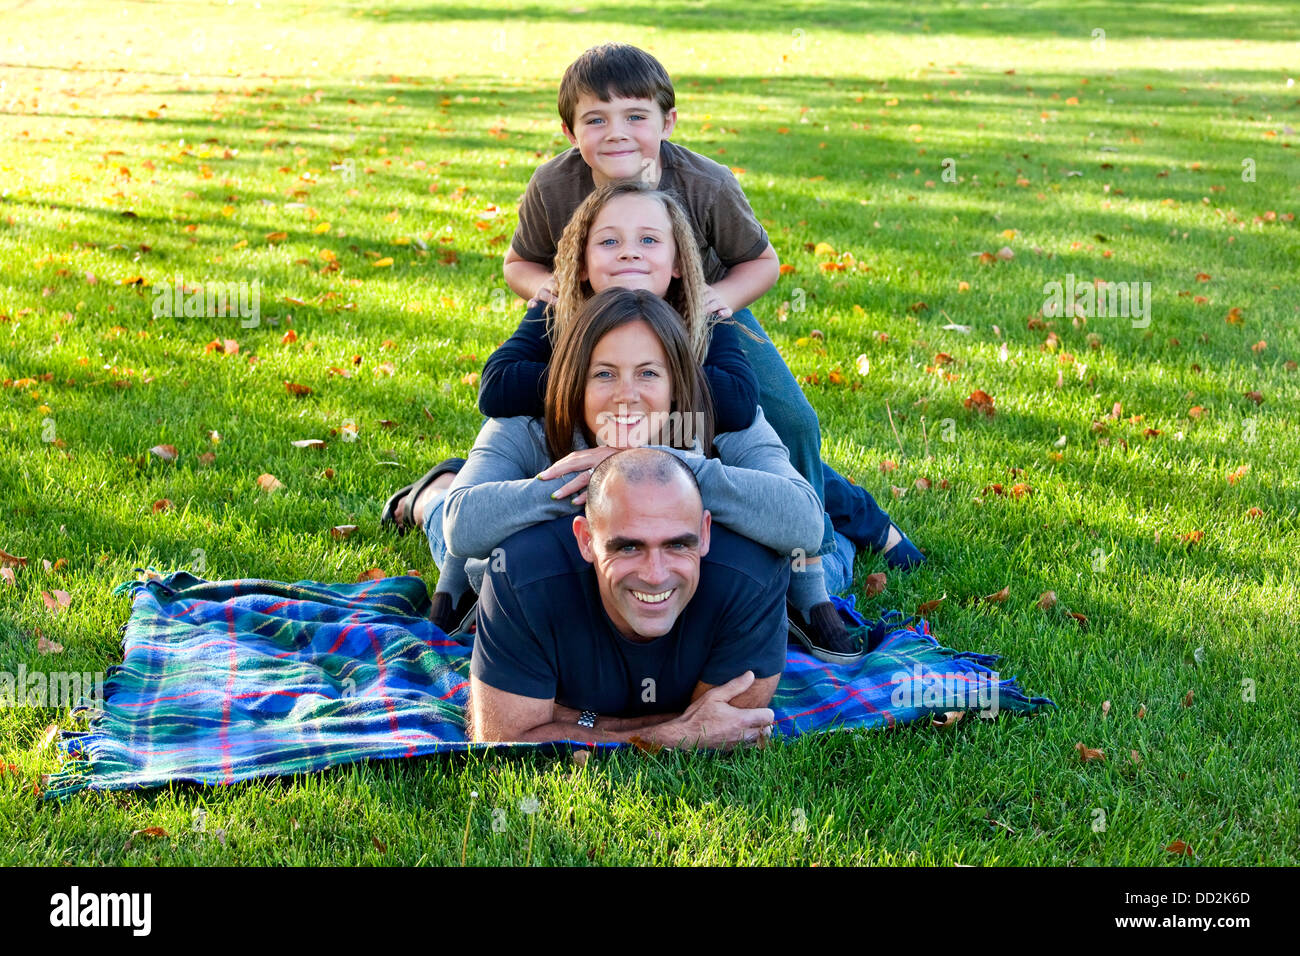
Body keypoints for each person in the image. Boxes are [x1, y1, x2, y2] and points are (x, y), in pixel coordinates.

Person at [469, 447, 785, 749]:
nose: (656, 575)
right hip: (477, 572)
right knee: (443, 532)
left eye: (677, 545)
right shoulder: (521, 575)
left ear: (704, 533)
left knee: (833, 553)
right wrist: (676, 735)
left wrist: (567, 719)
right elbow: (504, 739)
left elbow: (732, 723)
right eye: (629, 547)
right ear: (586, 540)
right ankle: (429, 493)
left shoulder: (754, 577)